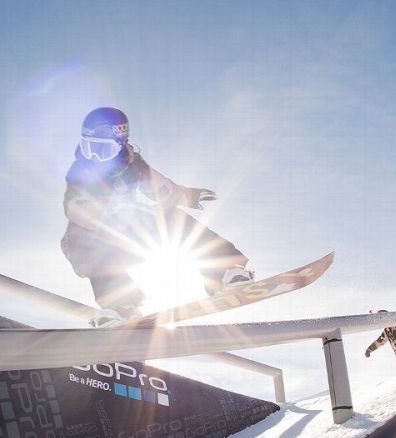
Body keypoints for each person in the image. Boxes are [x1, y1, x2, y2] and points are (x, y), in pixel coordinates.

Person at [61, 107, 254, 326]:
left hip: (131, 232)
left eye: (103, 150)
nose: (95, 157)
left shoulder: (132, 165)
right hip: (98, 240)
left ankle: (223, 272)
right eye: (90, 148)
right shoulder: (80, 173)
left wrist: (186, 195)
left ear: (121, 144)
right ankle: (122, 307)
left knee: (172, 218)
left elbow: (159, 188)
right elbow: (76, 208)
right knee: (90, 246)